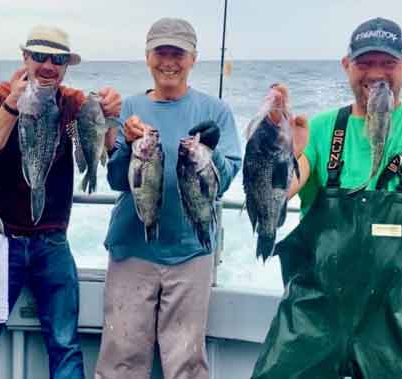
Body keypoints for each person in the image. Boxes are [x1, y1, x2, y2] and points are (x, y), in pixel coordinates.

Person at [251, 17, 402, 379]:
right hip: (316, 311)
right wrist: (276, 150)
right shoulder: (320, 129)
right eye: (365, 62)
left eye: (389, 63)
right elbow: (276, 195)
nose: (376, 73)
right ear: (346, 65)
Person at [0, 25, 121, 379]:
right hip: (0, 239)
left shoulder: (72, 103)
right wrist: (13, 102)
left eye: (57, 59)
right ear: (25, 57)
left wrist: (110, 113)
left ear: (65, 66)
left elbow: (102, 147)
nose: (48, 65)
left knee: (64, 343)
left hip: (53, 241)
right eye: (39, 56)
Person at [95, 18, 242, 379]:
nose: (169, 62)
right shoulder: (128, 109)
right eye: (161, 52)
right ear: (148, 58)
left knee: (186, 360)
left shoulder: (215, 111)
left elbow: (222, 182)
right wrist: (126, 145)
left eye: (178, 53)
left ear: (193, 58)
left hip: (191, 251)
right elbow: (117, 180)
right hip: (132, 248)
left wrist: (212, 151)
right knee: (122, 357)